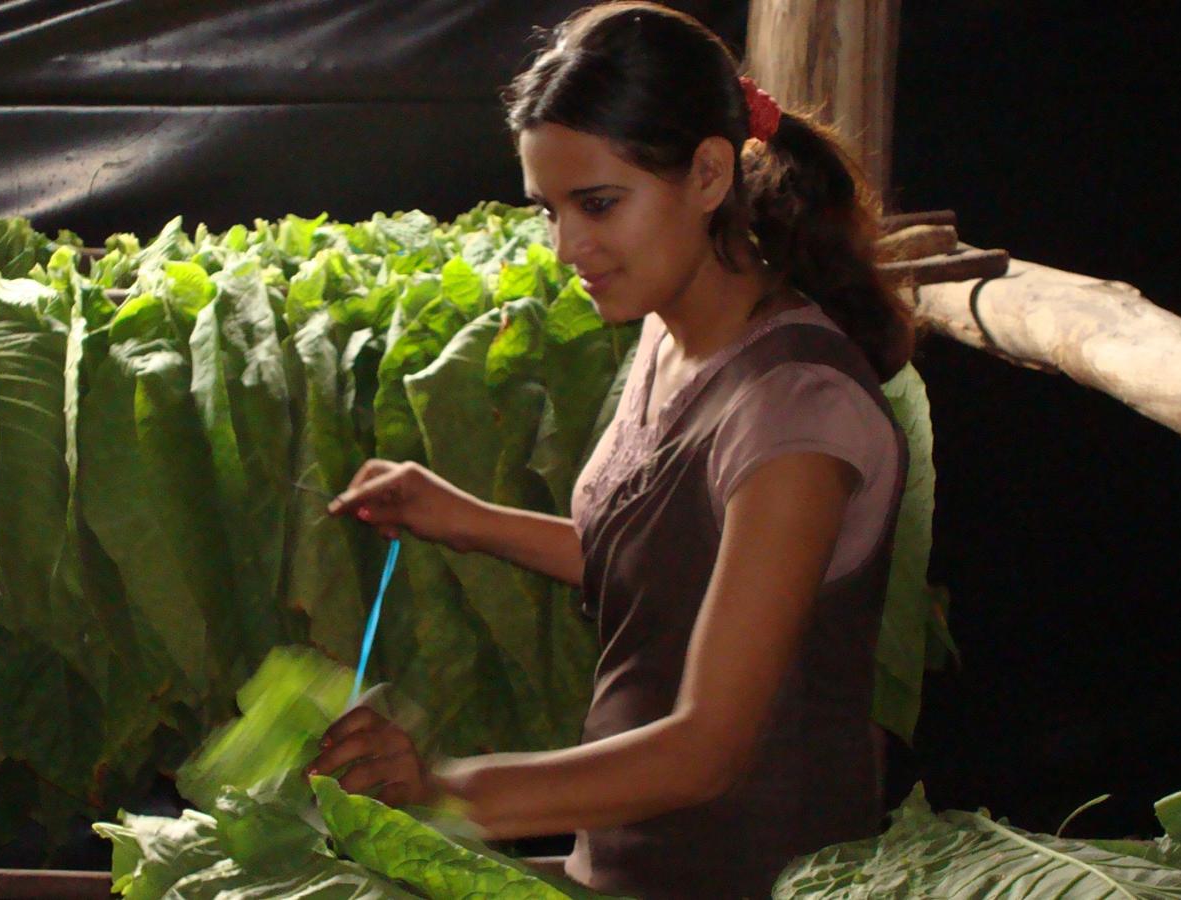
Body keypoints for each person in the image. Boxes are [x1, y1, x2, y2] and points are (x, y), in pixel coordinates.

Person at [308, 2, 914, 897]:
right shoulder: (674, 337)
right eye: (549, 209)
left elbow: (703, 753)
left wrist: (444, 791)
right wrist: (464, 520)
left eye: (597, 204)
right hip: (630, 869)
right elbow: (675, 562)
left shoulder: (797, 415)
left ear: (709, 173)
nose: (566, 246)